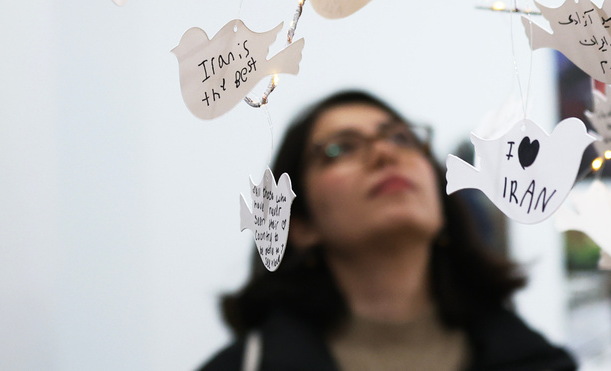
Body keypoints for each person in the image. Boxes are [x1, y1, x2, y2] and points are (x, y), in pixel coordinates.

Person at [198, 90, 577, 371]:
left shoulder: (540, 362)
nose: (385, 153)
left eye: (401, 138)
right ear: (300, 225)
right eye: (341, 148)